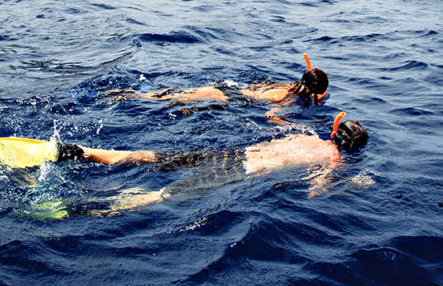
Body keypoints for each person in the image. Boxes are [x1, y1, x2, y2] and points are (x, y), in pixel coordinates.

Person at [51, 112, 368, 208]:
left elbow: (274, 134)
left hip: (231, 154)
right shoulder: (332, 161)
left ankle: (82, 151)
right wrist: (351, 184)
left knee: (152, 158)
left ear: (336, 130)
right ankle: (83, 209)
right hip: (243, 170)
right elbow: (314, 192)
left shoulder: (308, 136)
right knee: (162, 196)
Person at [110, 54, 328, 108]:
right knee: (171, 98)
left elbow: (256, 87)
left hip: (229, 88)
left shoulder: (284, 85)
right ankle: (127, 95)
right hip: (231, 98)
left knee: (173, 94)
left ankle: (132, 92)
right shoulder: (289, 97)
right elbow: (272, 115)